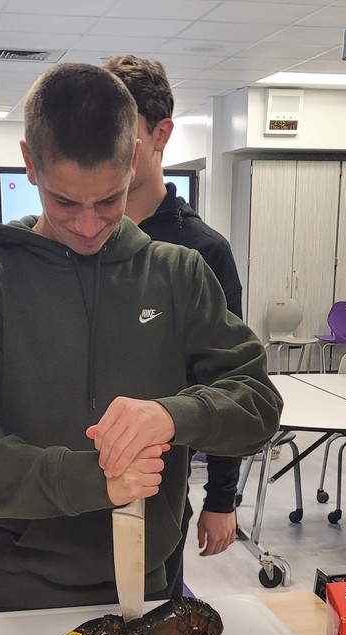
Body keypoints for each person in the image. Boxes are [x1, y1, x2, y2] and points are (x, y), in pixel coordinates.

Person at [0, 63, 282, 614]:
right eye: (65, 202)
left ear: (134, 159)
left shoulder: (178, 274)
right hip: (16, 592)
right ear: (29, 165)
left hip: (150, 584)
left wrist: (173, 415)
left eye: (108, 200)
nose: (89, 226)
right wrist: (91, 480)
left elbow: (258, 404)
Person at [103, 53, 244, 598]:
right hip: (69, 484)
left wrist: (222, 496)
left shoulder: (199, 251)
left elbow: (228, 382)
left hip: (160, 491)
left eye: (121, 132)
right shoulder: (72, 238)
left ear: (161, 134)